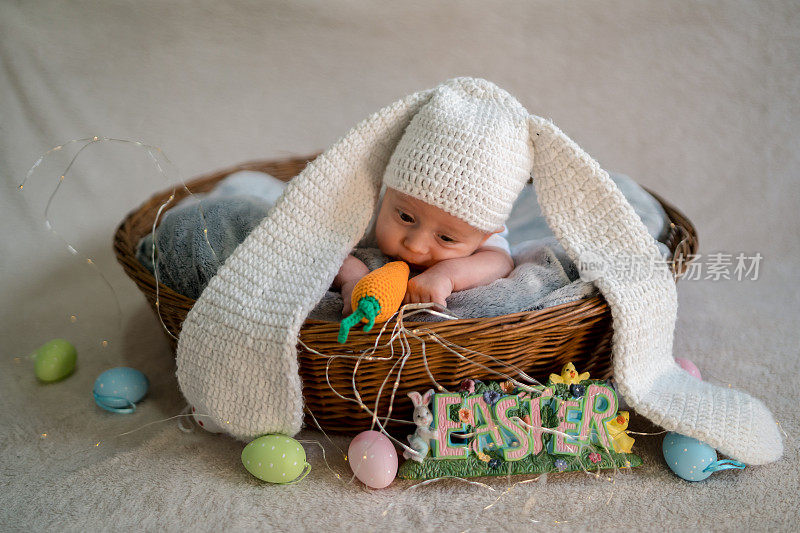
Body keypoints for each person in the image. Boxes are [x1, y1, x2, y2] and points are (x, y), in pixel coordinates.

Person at [334, 186, 514, 315]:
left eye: (445, 238)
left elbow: (501, 261)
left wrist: (447, 275)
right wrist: (353, 277)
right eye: (406, 217)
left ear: (485, 237)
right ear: (386, 190)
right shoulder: (366, 208)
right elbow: (321, 247)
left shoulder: (479, 220)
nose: (415, 246)